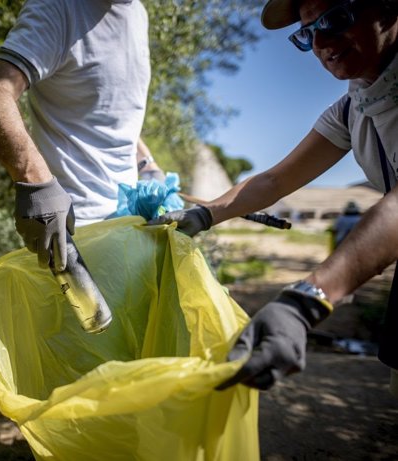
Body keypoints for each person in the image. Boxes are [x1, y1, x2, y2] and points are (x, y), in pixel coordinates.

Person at [150, 0, 398, 390]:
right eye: (307, 33)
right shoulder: (354, 109)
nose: (320, 41)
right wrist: (205, 215)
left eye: (335, 19)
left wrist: (306, 301)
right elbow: (274, 182)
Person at [0, 0, 164, 272]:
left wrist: (148, 166)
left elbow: (111, 108)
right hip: (74, 237)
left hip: (132, 228)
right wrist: (35, 183)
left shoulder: (138, 14)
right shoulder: (57, 7)